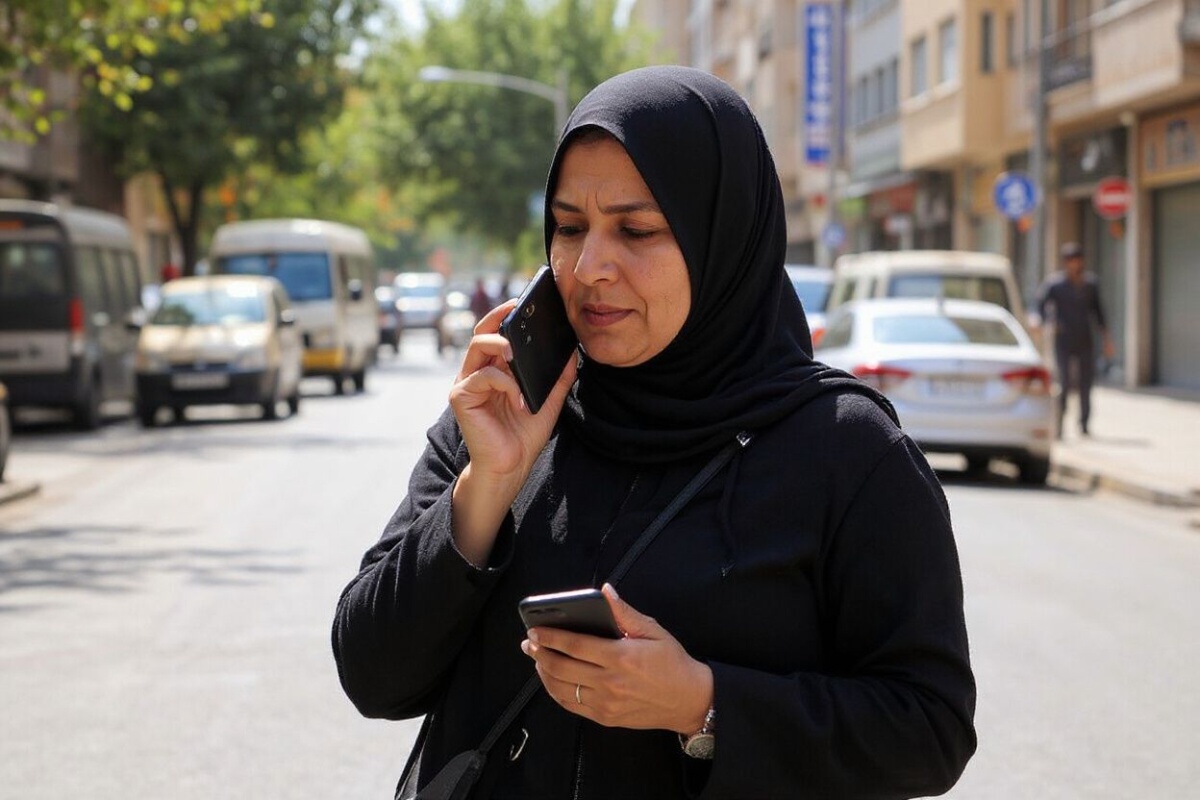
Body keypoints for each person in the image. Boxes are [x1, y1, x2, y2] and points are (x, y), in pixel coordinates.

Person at [332, 66, 976, 799]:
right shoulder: (508, 408)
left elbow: (931, 728)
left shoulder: (845, 451)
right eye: (569, 228)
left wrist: (702, 704)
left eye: (636, 230)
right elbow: (371, 676)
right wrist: (486, 489)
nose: (588, 267)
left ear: (720, 239)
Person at [1035, 241, 1115, 437]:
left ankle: (1084, 424)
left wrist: (1106, 339)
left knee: (1086, 384)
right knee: (1064, 382)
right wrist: (1045, 323)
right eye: (1070, 260)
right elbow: (1040, 305)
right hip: (1063, 339)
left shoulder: (1089, 285)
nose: (1074, 264)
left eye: (1077, 260)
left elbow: (1099, 313)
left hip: (1085, 339)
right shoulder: (1055, 284)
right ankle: (1060, 425)